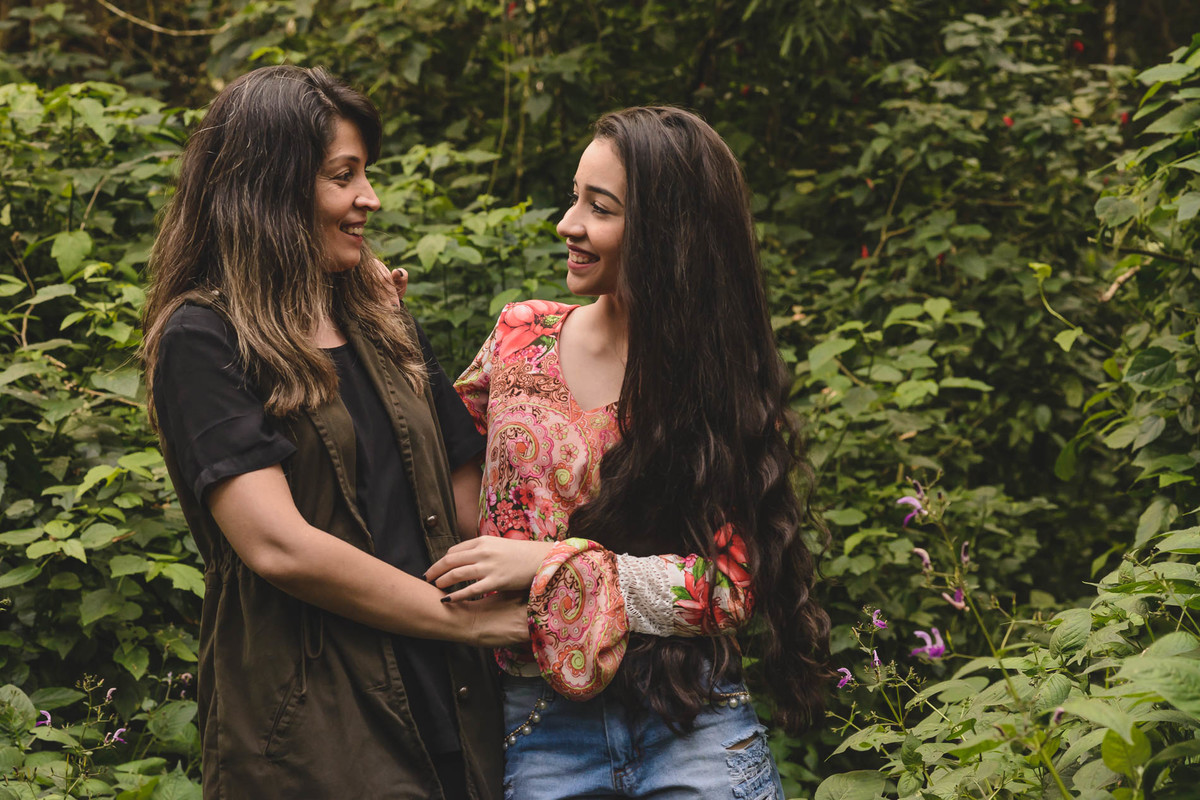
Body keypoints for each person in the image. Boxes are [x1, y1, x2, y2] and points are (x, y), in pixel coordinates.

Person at [140, 65, 527, 800]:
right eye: (343, 176)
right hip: (314, 727)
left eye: (365, 174)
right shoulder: (204, 337)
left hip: (455, 704)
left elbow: (466, 493)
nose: (369, 198)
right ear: (271, 189)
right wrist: (467, 625)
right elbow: (278, 545)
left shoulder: (382, 318)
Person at [426, 106, 831, 799]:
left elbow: (729, 588)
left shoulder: (710, 383)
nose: (568, 224)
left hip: (690, 717)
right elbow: (433, 471)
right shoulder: (521, 337)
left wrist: (546, 565)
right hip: (542, 724)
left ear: (665, 233)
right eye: (574, 197)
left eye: (600, 208)